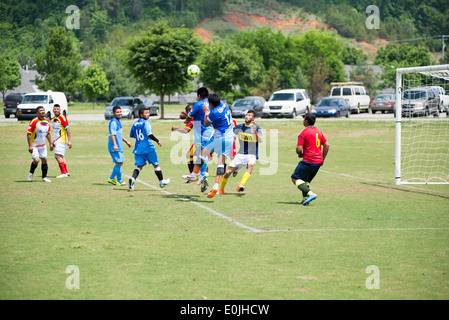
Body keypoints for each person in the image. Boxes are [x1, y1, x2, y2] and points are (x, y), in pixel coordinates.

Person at [185, 94, 234, 199]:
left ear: (211, 104)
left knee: (203, 153)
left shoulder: (214, 113)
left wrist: (206, 112)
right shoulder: (224, 104)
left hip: (219, 136)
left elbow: (206, 124)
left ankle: (194, 174)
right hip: (230, 137)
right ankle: (216, 185)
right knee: (221, 162)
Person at [219, 110, 262, 194]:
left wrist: (255, 132)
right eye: (246, 115)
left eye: (249, 115)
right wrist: (232, 136)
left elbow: (260, 140)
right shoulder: (240, 127)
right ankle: (221, 190)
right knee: (228, 172)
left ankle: (241, 185)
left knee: (250, 166)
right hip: (240, 154)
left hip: (251, 154)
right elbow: (230, 133)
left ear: (253, 118)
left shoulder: (256, 128)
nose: (246, 116)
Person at [291, 113, 329, 205]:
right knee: (306, 181)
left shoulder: (304, 132)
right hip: (318, 162)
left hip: (309, 161)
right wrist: (322, 159)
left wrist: (300, 154)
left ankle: (310, 194)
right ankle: (305, 199)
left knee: (295, 178)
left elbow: (299, 149)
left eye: (304, 119)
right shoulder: (319, 131)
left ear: (306, 121)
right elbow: (326, 145)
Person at [129, 108, 170, 191]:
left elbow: (132, 135)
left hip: (138, 149)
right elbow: (149, 134)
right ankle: (161, 182)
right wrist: (157, 140)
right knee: (156, 164)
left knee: (139, 166)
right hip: (148, 147)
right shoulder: (146, 122)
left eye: (148, 113)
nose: (148, 114)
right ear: (141, 115)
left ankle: (133, 179)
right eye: (146, 113)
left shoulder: (135, 124)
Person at [182, 87, 213, 188]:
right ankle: (202, 175)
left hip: (200, 131)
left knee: (201, 153)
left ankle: (202, 174)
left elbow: (190, 116)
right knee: (203, 152)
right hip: (209, 130)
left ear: (199, 96)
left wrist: (186, 120)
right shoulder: (211, 103)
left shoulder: (198, 104)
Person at [27, 106, 54, 182]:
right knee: (36, 160)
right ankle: (31, 173)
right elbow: (29, 134)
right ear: (37, 112)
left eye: (43, 110)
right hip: (34, 145)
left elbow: (48, 134)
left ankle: (44, 177)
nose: (43, 111)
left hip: (42, 145)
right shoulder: (34, 121)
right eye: (41, 110)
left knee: (44, 160)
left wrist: (50, 143)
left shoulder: (47, 121)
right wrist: (30, 146)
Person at [108, 106, 132, 186]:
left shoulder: (117, 121)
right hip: (115, 146)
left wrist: (126, 142)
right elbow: (112, 134)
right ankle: (119, 181)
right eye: (117, 112)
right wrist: (115, 145)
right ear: (113, 113)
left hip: (119, 146)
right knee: (119, 162)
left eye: (120, 112)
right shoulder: (113, 122)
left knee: (119, 163)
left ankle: (111, 178)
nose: (119, 113)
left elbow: (119, 134)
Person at [51, 104, 72, 178]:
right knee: (61, 156)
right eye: (54, 109)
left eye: (57, 109)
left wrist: (69, 140)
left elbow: (67, 129)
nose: (56, 110)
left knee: (57, 155)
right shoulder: (54, 118)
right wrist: (53, 141)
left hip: (62, 139)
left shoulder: (62, 117)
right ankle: (66, 172)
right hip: (57, 140)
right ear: (53, 110)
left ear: (60, 110)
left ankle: (63, 173)